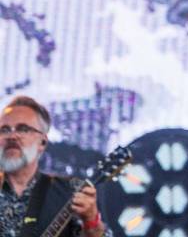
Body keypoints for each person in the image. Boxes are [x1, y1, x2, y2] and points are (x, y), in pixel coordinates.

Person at [0, 96, 111, 237]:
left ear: (42, 142)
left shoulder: (70, 192)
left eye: (23, 129)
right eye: (4, 130)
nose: (12, 136)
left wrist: (91, 222)